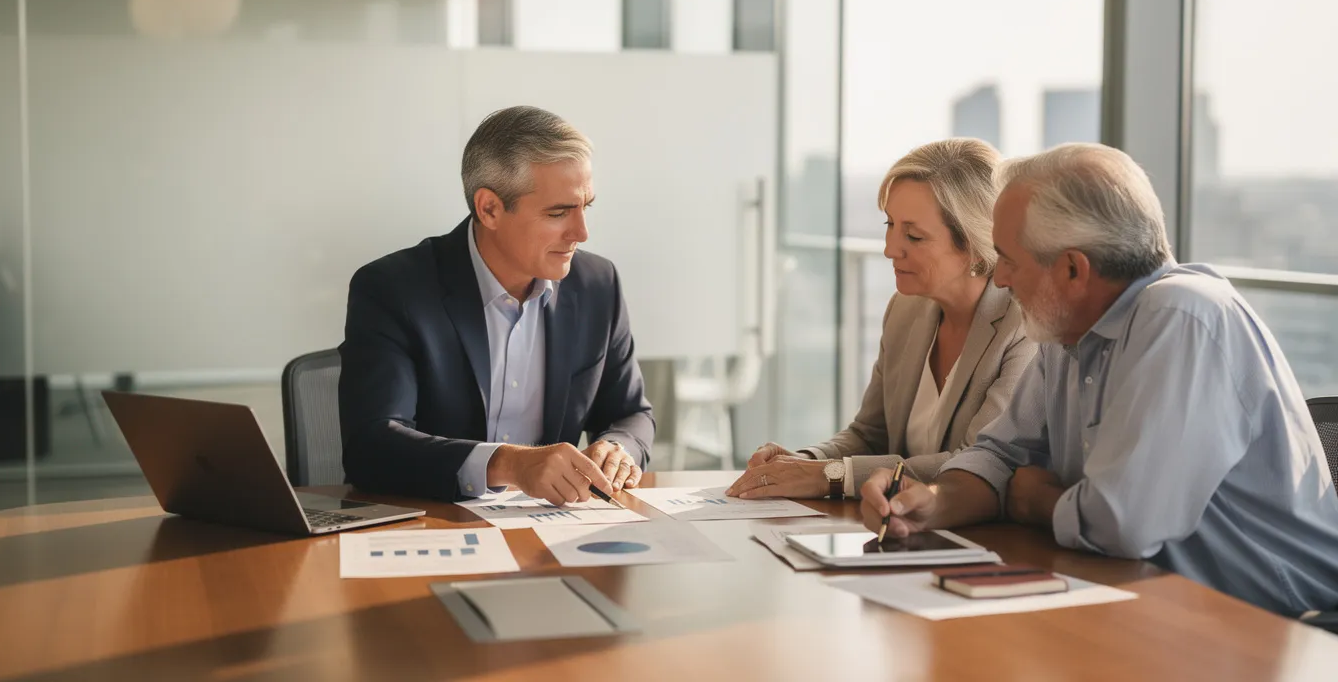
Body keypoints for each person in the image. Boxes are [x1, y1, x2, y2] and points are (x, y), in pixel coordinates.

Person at [861, 142, 1338, 615]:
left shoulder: (1183, 315)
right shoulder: (1064, 330)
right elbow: (1000, 455)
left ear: (1072, 269)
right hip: (1150, 603)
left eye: (1010, 259)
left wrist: (1037, 502)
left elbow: (1123, 524)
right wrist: (933, 502)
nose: (1000, 279)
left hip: (1274, 621)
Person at [339, 106, 654, 505]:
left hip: (554, 528)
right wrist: (509, 464)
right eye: (558, 213)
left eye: (585, 206)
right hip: (437, 524)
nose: (582, 232)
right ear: (489, 208)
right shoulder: (393, 289)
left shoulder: (597, 285)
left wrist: (617, 448)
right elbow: (372, 446)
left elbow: (630, 413)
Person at [727, 139, 1036, 501]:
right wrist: (802, 462)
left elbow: (975, 463)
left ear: (973, 242)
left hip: (982, 541)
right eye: (890, 224)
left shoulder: (1022, 327)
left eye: (914, 235)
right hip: (899, 525)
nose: (890, 248)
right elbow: (868, 434)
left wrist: (830, 476)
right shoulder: (906, 310)